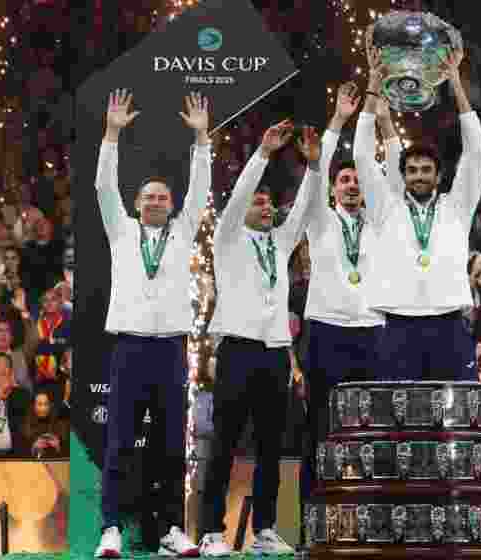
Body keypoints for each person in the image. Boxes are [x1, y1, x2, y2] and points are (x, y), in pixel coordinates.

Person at [195, 119, 321, 556]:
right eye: (258, 203)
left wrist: (315, 166)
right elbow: (234, 203)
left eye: (269, 203)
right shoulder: (228, 240)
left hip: (273, 356)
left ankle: (264, 529)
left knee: (270, 448)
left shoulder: (280, 244)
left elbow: (303, 210)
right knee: (225, 446)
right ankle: (212, 530)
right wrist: (263, 155)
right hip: (236, 351)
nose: (266, 209)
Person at [94, 89, 211, 558]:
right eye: (150, 196)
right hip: (130, 347)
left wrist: (201, 138)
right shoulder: (121, 231)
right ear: (138, 202)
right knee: (121, 441)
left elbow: (201, 189)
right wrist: (112, 133)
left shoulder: (183, 232)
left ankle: (168, 529)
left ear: (171, 202)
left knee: (167, 446)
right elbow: (104, 186)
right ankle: (110, 529)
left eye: (164, 196)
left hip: (170, 349)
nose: (157, 201)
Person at [355, 29, 481, 381]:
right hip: (398, 325)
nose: (419, 176)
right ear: (404, 175)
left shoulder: (456, 207)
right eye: (411, 170)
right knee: (397, 420)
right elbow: (363, 156)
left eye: (426, 170)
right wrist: (372, 84)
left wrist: (456, 81)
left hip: (448, 324)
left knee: (454, 418)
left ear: (439, 175)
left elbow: (474, 154)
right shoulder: (387, 208)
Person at [297, 83, 397, 518]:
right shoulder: (319, 220)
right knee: (320, 430)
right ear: (334, 188)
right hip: (326, 332)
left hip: (373, 332)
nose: (352, 184)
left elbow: (393, 168)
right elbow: (315, 172)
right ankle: (312, 520)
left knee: (378, 431)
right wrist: (338, 120)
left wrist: (380, 117)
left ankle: (375, 518)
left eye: (357, 178)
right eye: (344, 179)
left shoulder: (381, 221)